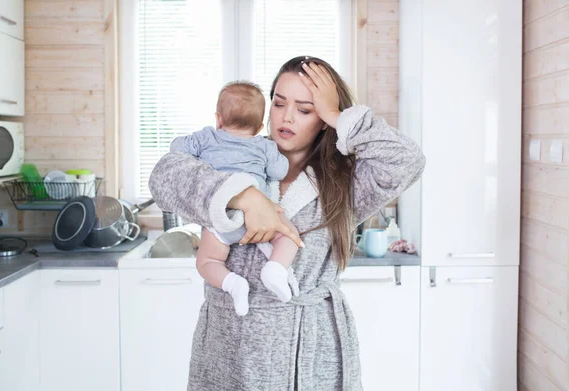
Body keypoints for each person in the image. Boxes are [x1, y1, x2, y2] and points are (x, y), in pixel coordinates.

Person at [149, 56, 426, 390]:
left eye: (306, 109)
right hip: (230, 346)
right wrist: (245, 196)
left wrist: (339, 116)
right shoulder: (228, 158)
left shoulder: (345, 184)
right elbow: (164, 177)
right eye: (279, 104)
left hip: (310, 350)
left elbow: (407, 160)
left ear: (323, 119)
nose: (287, 117)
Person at [170, 81, 303, 317]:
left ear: (218, 119)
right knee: (290, 236)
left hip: (220, 217)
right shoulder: (264, 145)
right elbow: (280, 172)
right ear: (261, 125)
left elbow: (177, 149)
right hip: (261, 219)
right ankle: (275, 268)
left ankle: (233, 284)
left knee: (207, 260)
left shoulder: (207, 137)